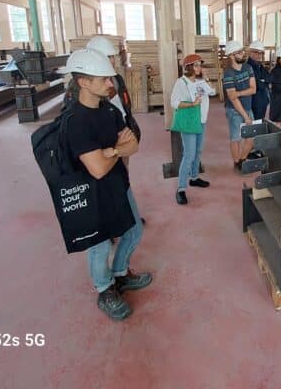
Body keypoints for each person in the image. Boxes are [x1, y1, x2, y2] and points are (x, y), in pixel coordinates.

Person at [62, 49, 151, 321]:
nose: (110, 84)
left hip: (119, 185)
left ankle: (120, 274)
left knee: (134, 231)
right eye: (103, 79)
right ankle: (104, 289)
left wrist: (110, 151)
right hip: (93, 194)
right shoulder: (76, 121)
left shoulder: (108, 110)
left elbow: (133, 145)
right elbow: (98, 169)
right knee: (100, 246)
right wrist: (115, 150)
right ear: (83, 82)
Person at [170, 54, 214, 205]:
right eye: (195, 65)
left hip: (201, 120)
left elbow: (212, 92)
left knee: (198, 151)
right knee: (189, 154)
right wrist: (191, 104)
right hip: (189, 121)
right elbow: (174, 103)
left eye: (200, 65)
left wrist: (207, 79)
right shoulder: (181, 82)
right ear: (188, 67)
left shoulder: (200, 81)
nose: (199, 68)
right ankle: (181, 188)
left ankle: (194, 178)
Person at [223, 40, 256, 170]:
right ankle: (237, 163)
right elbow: (232, 98)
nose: (243, 54)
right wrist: (246, 116)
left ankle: (243, 159)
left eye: (243, 51)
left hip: (248, 107)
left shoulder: (248, 68)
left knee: (251, 136)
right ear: (232, 55)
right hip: (234, 110)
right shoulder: (228, 74)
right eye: (240, 52)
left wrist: (239, 93)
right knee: (236, 138)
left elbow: (253, 89)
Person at [246, 41, 270, 121]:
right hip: (254, 101)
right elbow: (258, 85)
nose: (259, 55)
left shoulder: (260, 65)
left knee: (260, 121)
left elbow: (268, 79)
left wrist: (263, 81)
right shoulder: (248, 67)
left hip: (262, 99)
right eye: (256, 52)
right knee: (256, 124)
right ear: (250, 52)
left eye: (261, 53)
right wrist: (263, 82)